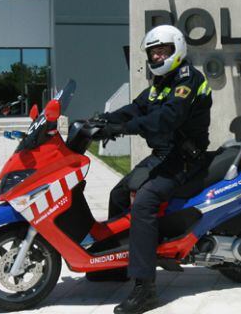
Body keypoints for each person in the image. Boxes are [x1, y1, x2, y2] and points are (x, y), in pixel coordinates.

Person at [94, 24, 212, 314]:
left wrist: (122, 128)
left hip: (185, 158)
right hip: (164, 155)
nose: (158, 56)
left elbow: (166, 119)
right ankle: (114, 267)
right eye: (153, 51)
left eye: (163, 50)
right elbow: (136, 109)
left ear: (177, 49)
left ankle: (145, 288)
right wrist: (101, 120)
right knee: (119, 194)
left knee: (144, 203)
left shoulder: (187, 80)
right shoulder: (160, 84)